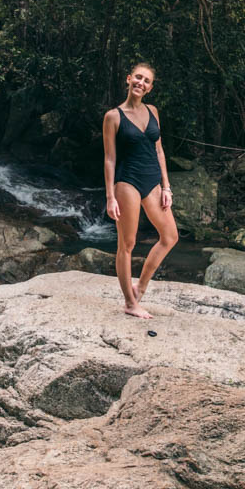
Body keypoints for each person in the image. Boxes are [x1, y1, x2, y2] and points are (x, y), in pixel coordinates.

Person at [103, 62, 178, 318]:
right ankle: (129, 303)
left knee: (170, 236)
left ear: (150, 87)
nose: (141, 83)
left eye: (146, 81)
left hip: (153, 182)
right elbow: (110, 159)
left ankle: (141, 287)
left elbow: (159, 150)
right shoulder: (113, 116)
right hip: (128, 182)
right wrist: (110, 196)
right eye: (137, 77)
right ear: (128, 79)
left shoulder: (153, 111)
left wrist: (166, 187)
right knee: (127, 243)